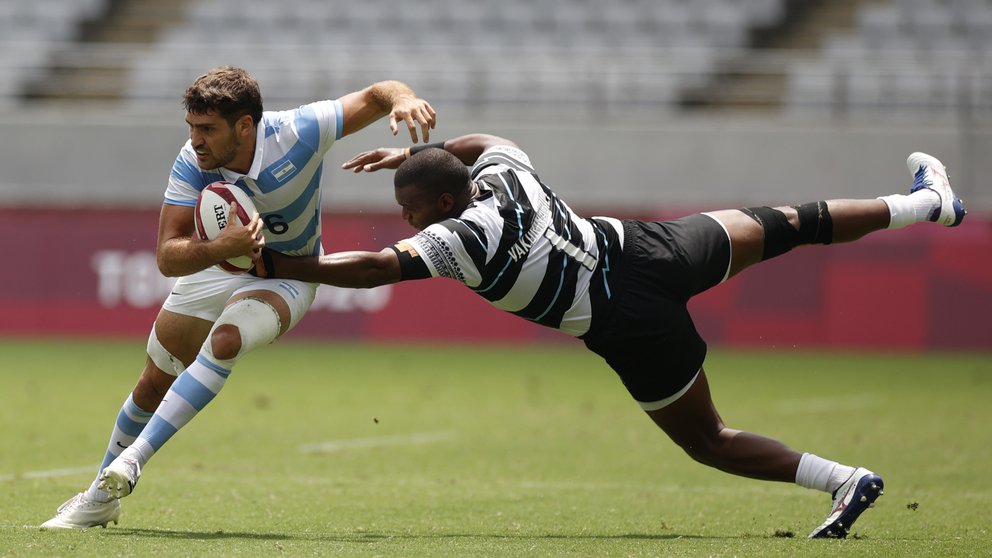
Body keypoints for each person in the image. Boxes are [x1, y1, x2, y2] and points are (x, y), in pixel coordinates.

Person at [250, 133, 964, 539]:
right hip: (651, 249)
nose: (406, 220)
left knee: (709, 440)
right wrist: (421, 151)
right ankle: (928, 203)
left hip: (628, 323)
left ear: (443, 201)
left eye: (411, 206)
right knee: (791, 222)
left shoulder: (464, 237)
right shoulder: (504, 175)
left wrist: (277, 264)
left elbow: (376, 268)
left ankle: (843, 480)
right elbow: (488, 141)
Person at [41, 66, 437, 529]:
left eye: (208, 129)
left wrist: (403, 99)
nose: (196, 140)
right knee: (153, 381)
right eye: (191, 127)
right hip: (221, 266)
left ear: (245, 126)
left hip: (288, 274)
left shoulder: (299, 132)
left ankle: (131, 462)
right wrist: (219, 248)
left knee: (226, 340)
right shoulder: (191, 161)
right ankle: (99, 498)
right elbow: (167, 256)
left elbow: (376, 93)